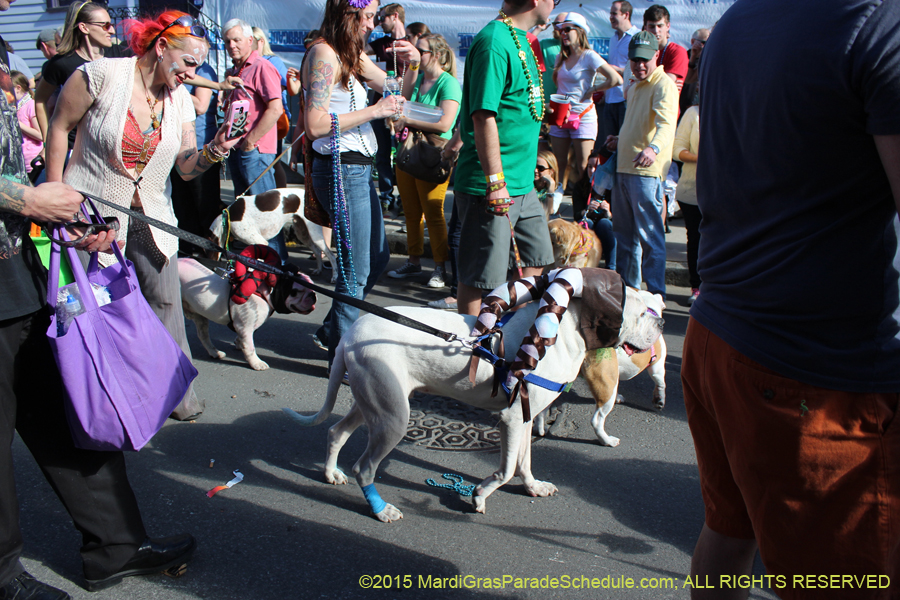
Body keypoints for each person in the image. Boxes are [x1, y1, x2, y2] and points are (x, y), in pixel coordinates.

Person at [682, 1, 900, 596]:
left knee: (729, 531)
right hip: (816, 371)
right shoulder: (878, 20)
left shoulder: (740, 17)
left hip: (721, 336)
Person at [0, 12, 195, 598]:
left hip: (15, 267)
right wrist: (33, 196)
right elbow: (50, 141)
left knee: (63, 411)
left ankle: (115, 546)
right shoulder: (100, 75)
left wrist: (66, 214)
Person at [45, 10, 243, 422]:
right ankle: (86, 399)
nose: (192, 73)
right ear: (161, 47)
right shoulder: (101, 75)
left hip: (151, 215)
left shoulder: (182, 103)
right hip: (91, 214)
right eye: (189, 62)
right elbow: (60, 126)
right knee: (82, 307)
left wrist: (217, 148)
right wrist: (56, 194)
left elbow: (185, 167)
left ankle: (178, 397)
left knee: (167, 302)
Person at [301, 0, 413, 367]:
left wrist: (411, 57)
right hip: (340, 168)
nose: (372, 24)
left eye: (375, 17)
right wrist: (376, 111)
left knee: (378, 256)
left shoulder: (351, 54)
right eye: (367, 17)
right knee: (355, 270)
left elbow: (395, 87)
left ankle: (333, 330)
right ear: (347, 16)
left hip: (358, 168)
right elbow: (315, 124)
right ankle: (341, 358)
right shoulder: (324, 54)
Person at [454, 0, 556, 316]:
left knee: (536, 260)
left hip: (523, 184)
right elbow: (483, 116)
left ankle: (503, 334)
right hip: (493, 185)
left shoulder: (520, 38)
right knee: (480, 278)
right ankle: (469, 352)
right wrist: (496, 181)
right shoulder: (494, 41)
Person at [605, 30, 676, 298]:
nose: (640, 65)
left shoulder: (663, 84)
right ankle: (629, 294)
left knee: (650, 238)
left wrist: (654, 148)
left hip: (646, 172)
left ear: (657, 56)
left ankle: (656, 297)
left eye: (645, 59)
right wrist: (620, 139)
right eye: (635, 59)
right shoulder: (634, 83)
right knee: (625, 238)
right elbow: (638, 124)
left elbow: (666, 124)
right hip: (624, 167)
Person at [387, 33, 461, 289]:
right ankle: (414, 261)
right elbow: (402, 100)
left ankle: (439, 267)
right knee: (411, 213)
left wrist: (407, 120)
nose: (417, 53)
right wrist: (413, 66)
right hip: (409, 153)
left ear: (437, 55)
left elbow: (444, 124)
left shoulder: (448, 83)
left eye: (422, 51)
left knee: (433, 213)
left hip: (432, 156)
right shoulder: (418, 78)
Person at [221, 19, 286, 259]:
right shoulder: (234, 71)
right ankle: (261, 264)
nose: (231, 45)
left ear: (250, 40)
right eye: (227, 41)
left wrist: (251, 141)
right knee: (248, 211)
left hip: (255, 151)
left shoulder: (261, 66)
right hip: (237, 149)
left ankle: (276, 267)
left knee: (266, 214)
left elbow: (275, 108)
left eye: (236, 40)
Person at [547, 12, 621, 221]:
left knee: (583, 167)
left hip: (584, 116)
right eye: (561, 30)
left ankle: (585, 212)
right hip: (561, 115)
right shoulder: (560, 56)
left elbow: (615, 78)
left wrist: (594, 88)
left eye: (568, 29)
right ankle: (553, 209)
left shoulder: (589, 55)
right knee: (558, 164)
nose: (563, 33)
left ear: (580, 31)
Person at [34, 2, 114, 145]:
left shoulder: (118, 55)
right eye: (105, 25)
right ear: (84, 27)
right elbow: (40, 99)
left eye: (111, 24)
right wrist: (47, 142)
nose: (112, 30)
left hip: (112, 144)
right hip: (76, 147)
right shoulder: (62, 63)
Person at [169, 59, 223, 254]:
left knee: (205, 208)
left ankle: (210, 254)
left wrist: (173, 86)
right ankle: (188, 251)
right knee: (182, 207)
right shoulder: (174, 69)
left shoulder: (204, 71)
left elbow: (201, 106)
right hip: (176, 150)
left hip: (201, 149)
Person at [365, 2, 407, 213]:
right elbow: (358, 51)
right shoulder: (381, 43)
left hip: (403, 106)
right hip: (380, 104)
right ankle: (386, 194)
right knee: (382, 152)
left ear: (395, 16)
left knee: (404, 152)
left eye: (382, 19)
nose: (379, 23)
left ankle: (405, 196)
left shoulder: (411, 42)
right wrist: (367, 29)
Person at [251, 26, 290, 189]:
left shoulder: (272, 61)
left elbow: (280, 88)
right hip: (255, 120)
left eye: (251, 41)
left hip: (275, 119)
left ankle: (280, 197)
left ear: (260, 42)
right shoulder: (247, 63)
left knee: (274, 162)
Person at [672, 96, 699, 304]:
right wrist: (702, 157)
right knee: (696, 240)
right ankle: (697, 286)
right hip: (693, 190)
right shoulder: (693, 114)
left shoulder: (733, 109)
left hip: (725, 191)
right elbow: (677, 150)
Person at [600, 1, 638, 144]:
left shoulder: (636, 37)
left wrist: (616, 71)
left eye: (614, 13)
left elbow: (639, 70)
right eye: (610, 13)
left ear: (626, 15)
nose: (610, 17)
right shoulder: (612, 39)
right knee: (609, 145)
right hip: (610, 100)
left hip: (626, 100)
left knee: (625, 144)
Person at [642, 4, 688, 94]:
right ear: (645, 28)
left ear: (668, 26)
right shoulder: (641, 51)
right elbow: (629, 89)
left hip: (667, 107)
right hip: (644, 107)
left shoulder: (677, 51)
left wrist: (642, 83)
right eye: (651, 26)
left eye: (660, 26)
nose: (656, 31)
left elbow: (664, 87)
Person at [10, 71, 42, 180]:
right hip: (19, 164)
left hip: (32, 164)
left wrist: (18, 124)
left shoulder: (30, 105)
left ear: (18, 88)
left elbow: (40, 135)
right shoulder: (14, 108)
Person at [538, 12, 567, 99]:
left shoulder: (576, 48)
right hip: (547, 100)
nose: (556, 28)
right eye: (555, 24)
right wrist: (538, 29)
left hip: (569, 102)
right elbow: (523, 47)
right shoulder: (544, 44)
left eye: (559, 24)